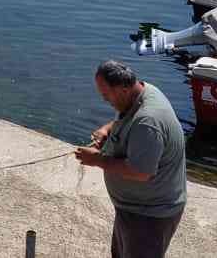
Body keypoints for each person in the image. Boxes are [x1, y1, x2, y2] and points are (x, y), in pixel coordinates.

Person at [73, 60, 186, 258]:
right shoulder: (141, 92)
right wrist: (107, 130)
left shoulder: (148, 121)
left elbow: (141, 172)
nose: (105, 101)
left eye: (107, 96)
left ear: (123, 89)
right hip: (133, 208)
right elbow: (125, 118)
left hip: (149, 215)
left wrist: (98, 160)